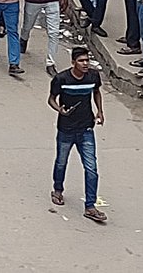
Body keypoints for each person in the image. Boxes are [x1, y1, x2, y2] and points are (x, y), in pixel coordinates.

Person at [49, 46, 106, 222]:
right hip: (66, 129)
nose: (85, 64)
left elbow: (96, 92)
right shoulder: (61, 79)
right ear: (73, 63)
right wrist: (60, 110)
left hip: (86, 128)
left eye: (87, 60)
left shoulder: (93, 76)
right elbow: (51, 99)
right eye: (81, 61)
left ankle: (90, 206)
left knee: (92, 168)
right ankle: (58, 189)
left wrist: (100, 111)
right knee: (61, 162)